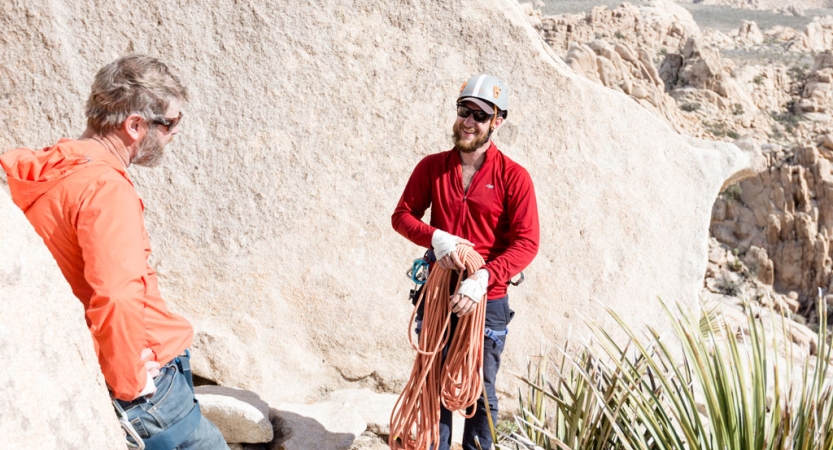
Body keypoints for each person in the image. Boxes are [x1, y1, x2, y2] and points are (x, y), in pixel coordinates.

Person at [0, 54, 228, 450]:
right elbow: (117, 294)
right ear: (135, 125)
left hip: (101, 369)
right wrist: (130, 381)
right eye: (171, 123)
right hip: (150, 391)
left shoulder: (51, 168)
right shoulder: (105, 189)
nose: (175, 133)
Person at [391, 74, 540, 450]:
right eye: (464, 111)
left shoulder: (514, 178)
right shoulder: (432, 167)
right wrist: (436, 238)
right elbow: (402, 215)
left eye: (480, 115)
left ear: (497, 122)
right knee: (432, 386)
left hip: (486, 302)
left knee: (479, 395)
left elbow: (527, 243)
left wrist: (484, 277)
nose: (469, 122)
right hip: (438, 293)